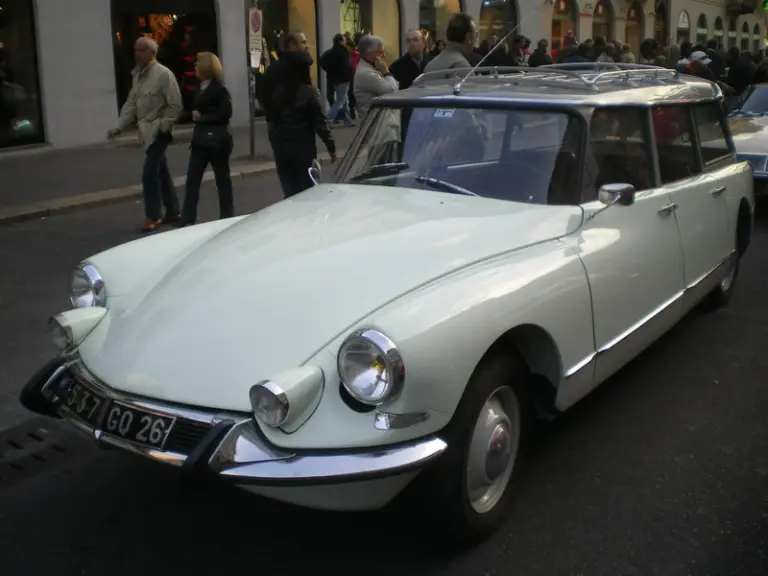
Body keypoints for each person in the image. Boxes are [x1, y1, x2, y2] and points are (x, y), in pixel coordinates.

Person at [108, 37, 183, 233]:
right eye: (135, 50)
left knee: (149, 173)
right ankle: (174, 211)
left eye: (141, 50)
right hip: (145, 133)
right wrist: (118, 126)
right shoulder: (138, 76)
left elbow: (175, 105)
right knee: (161, 171)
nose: (136, 54)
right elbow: (131, 103)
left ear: (151, 52)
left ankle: (153, 215)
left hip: (158, 131)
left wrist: (164, 127)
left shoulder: (164, 75)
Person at [175, 52, 233, 227]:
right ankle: (187, 216)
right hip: (200, 141)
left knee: (222, 179)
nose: (194, 67)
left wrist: (202, 117)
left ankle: (227, 215)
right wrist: (184, 116)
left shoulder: (219, 89)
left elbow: (225, 113)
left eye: (197, 64)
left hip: (217, 142)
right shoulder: (199, 87)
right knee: (193, 179)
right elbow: (194, 113)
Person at [268, 50, 336, 198]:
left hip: (282, 148)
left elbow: (272, 121)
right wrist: (331, 146)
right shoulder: (309, 92)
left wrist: (275, 143)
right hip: (303, 147)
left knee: (289, 189)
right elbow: (320, 123)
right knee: (307, 189)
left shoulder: (278, 92)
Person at [261, 31, 312, 124]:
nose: (307, 46)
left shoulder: (274, 67)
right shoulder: (298, 67)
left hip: (279, 125)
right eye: (303, 43)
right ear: (292, 45)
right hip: (295, 124)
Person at [353, 34, 399, 120]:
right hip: (374, 122)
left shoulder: (371, 68)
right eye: (380, 52)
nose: (383, 55)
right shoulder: (366, 73)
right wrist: (386, 71)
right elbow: (392, 91)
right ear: (369, 52)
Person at [319, 33, 355, 127]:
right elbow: (347, 66)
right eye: (344, 40)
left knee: (344, 100)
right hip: (343, 78)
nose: (345, 42)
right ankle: (328, 120)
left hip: (333, 78)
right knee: (340, 101)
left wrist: (328, 69)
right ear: (340, 41)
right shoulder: (343, 52)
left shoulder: (330, 52)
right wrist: (350, 74)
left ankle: (347, 121)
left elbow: (322, 62)